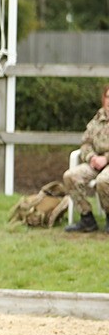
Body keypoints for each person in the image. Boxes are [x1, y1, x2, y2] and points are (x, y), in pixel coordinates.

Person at [63, 83, 109, 232]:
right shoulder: (98, 119)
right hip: (95, 163)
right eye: (108, 97)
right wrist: (91, 157)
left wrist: (106, 159)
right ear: (103, 99)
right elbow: (85, 143)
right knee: (70, 176)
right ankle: (87, 219)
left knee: (103, 181)